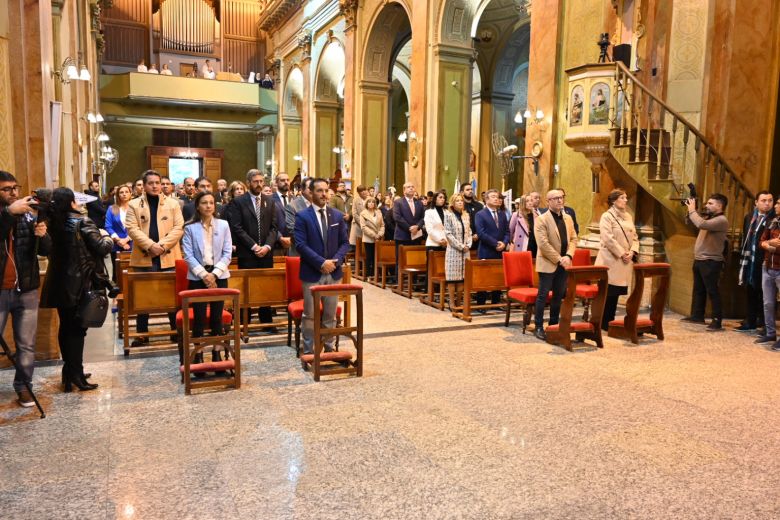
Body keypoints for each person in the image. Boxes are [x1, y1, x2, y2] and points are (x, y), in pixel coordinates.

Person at [41, 187, 112, 392]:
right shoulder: (82, 221)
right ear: (71, 202)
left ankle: (69, 371)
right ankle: (76, 375)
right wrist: (107, 236)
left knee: (66, 328)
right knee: (78, 331)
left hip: (59, 283)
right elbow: (102, 247)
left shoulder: (52, 223)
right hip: (79, 284)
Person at [0, 171, 50, 407]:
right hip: (1, 291)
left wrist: (43, 235)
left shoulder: (28, 217)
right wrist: (10, 213)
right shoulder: (11, 214)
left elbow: (44, 251)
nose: (14, 193)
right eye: (7, 189)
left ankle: (24, 386)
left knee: (26, 344)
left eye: (15, 188)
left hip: (26, 289)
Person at [125, 170, 185, 345]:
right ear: (143, 186)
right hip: (144, 255)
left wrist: (162, 246)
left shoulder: (173, 204)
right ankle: (142, 334)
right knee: (143, 297)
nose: (155, 186)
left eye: (157, 182)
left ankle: (176, 331)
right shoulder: (134, 204)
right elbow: (132, 228)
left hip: (168, 255)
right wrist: (151, 245)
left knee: (171, 296)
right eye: (150, 183)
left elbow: (179, 227)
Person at [294, 178, 350, 355]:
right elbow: (300, 245)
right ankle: (309, 350)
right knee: (310, 315)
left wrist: (334, 261)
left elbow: (345, 243)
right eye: (319, 190)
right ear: (311, 193)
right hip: (312, 272)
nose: (324, 194)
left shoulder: (337, 215)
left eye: (326, 190)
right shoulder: (303, 216)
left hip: (333, 273)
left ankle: (328, 346)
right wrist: (321, 262)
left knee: (330, 315)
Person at [181, 191, 233, 365]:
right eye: (204, 203)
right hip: (197, 277)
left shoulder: (223, 225)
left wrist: (215, 274)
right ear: (198, 206)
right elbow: (187, 255)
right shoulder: (189, 227)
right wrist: (204, 275)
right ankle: (199, 353)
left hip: (219, 275)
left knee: (217, 317)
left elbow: (227, 253)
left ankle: (217, 353)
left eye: (211, 203)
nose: (209, 206)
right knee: (199, 317)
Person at [226, 169, 277, 327]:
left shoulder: (270, 200)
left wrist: (267, 246)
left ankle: (266, 320)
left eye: (261, 181)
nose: (259, 184)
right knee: (246, 288)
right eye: (256, 181)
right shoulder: (239, 201)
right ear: (248, 183)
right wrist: (255, 247)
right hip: (247, 253)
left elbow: (274, 228)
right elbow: (237, 227)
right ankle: (244, 320)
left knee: (265, 287)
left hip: (266, 254)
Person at [533, 189, 578, 340]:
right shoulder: (542, 219)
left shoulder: (568, 218)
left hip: (564, 262)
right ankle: (538, 326)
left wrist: (569, 255)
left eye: (561, 197)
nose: (560, 200)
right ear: (548, 201)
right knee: (543, 295)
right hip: (548, 262)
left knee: (558, 295)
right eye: (556, 198)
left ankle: (553, 325)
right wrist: (560, 259)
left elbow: (573, 238)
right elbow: (543, 244)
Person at [683, 193, 729, 331]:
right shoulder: (709, 217)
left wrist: (692, 210)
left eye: (710, 203)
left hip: (711, 261)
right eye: (707, 203)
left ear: (720, 206)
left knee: (712, 291)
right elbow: (695, 222)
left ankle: (717, 320)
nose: (706, 205)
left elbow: (701, 224)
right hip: (700, 259)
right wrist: (690, 212)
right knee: (699, 289)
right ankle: (697, 315)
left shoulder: (721, 220)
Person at [595, 189, 639, 330]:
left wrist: (632, 251)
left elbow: (635, 236)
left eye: (626, 197)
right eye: (622, 197)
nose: (626, 200)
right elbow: (608, 238)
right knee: (607, 292)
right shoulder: (607, 216)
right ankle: (602, 321)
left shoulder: (628, 216)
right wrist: (622, 253)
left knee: (615, 293)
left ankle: (610, 321)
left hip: (624, 260)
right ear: (614, 201)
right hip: (611, 260)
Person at [736, 191, 774, 332]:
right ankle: (750, 321)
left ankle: (765, 324)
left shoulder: (774, 219)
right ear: (756, 203)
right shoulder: (749, 217)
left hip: (765, 260)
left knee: (766, 294)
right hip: (750, 259)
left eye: (770, 200)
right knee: (751, 290)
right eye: (763, 200)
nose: (767, 203)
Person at [474, 189, 510, 308]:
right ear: (487, 199)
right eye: (493, 196)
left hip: (500, 251)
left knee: (498, 276)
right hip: (486, 250)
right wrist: (496, 244)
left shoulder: (502, 214)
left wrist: (504, 243)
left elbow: (507, 231)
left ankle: (496, 302)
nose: (496, 198)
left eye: (497, 196)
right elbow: (481, 233)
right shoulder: (480, 214)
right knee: (484, 277)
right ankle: (481, 304)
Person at [759, 198, 780, 350]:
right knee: (768, 303)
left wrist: (771, 244)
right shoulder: (772, 221)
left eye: (779, 203)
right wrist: (769, 244)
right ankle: (770, 332)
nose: (776, 205)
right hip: (767, 266)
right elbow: (762, 241)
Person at [444, 193, 472, 306]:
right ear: (453, 203)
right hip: (453, 251)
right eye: (457, 201)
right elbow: (448, 234)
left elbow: (469, 231)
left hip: (465, 251)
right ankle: (451, 302)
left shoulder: (466, 215)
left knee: (462, 277)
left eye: (461, 200)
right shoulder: (448, 215)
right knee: (452, 278)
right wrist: (460, 246)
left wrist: (468, 244)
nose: (460, 202)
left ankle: (459, 302)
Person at [104, 184, 133, 282]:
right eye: (121, 192)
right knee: (117, 272)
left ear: (130, 194)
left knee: (131, 270)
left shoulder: (134, 208)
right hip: (117, 244)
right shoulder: (112, 208)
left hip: (132, 243)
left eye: (126, 192)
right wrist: (119, 240)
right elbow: (108, 226)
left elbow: (139, 226)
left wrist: (127, 239)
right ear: (117, 195)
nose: (124, 194)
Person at [392, 182, 425, 267]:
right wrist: (410, 228)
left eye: (412, 187)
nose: (411, 188)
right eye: (408, 187)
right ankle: (399, 279)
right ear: (404, 190)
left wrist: (417, 227)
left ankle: (413, 279)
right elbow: (397, 217)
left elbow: (423, 217)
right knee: (400, 260)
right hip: (402, 235)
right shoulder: (398, 202)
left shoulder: (419, 203)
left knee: (414, 260)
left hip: (416, 236)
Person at [286, 178, 314, 257]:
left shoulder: (320, 205)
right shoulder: (292, 206)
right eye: (310, 187)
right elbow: (292, 230)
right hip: (300, 253)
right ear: (302, 189)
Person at [359, 196, 384, 279]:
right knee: (369, 257)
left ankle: (376, 274)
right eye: (369, 202)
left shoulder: (379, 212)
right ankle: (369, 274)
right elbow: (363, 227)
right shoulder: (363, 213)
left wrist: (380, 234)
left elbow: (382, 225)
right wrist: (374, 235)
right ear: (366, 203)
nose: (371, 203)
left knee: (376, 257)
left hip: (378, 238)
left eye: (373, 202)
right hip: (368, 238)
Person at [424, 190, 449, 256]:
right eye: (440, 197)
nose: (442, 199)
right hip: (433, 244)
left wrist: (445, 240)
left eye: (444, 198)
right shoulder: (429, 212)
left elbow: (449, 228)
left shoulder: (447, 212)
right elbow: (429, 229)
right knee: (431, 266)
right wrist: (440, 240)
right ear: (435, 199)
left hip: (446, 244)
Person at [460, 183, 483, 251]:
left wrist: (478, 234)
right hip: (463, 241)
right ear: (462, 192)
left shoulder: (479, 206)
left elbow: (482, 222)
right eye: (467, 190)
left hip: (478, 239)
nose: (470, 191)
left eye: (471, 189)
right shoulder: (460, 205)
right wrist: (470, 235)